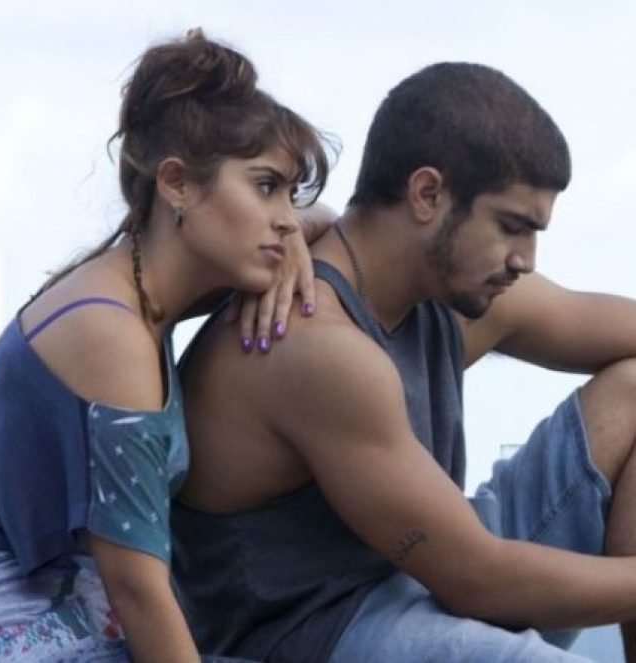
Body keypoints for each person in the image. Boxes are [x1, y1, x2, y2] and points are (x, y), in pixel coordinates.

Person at [172, 61, 636, 663]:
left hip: (424, 580)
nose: (525, 259)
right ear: (427, 194)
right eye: (511, 227)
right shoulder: (316, 345)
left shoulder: (454, 294)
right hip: (316, 635)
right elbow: (477, 579)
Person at [0, 28, 333, 662]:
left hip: (78, 614)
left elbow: (330, 220)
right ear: (177, 184)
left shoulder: (146, 293)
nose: (284, 215)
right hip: (10, 626)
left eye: (289, 193)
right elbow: (137, 591)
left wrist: (294, 242)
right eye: (265, 186)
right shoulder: (111, 334)